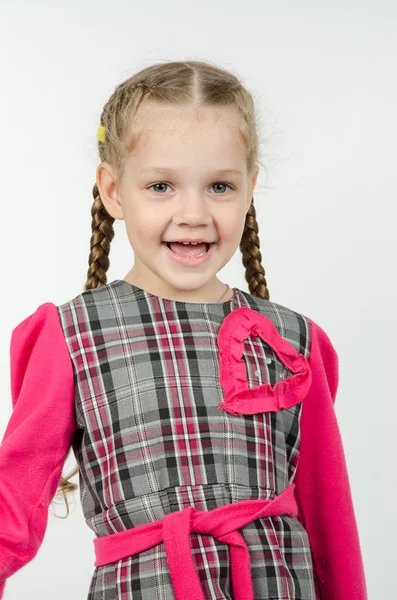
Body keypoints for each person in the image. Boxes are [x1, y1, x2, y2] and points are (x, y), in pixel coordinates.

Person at [0, 60, 367, 600]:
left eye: (219, 185)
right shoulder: (71, 333)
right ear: (114, 191)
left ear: (249, 190)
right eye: (161, 186)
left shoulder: (293, 338)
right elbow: (14, 500)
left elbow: (328, 515)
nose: (193, 212)